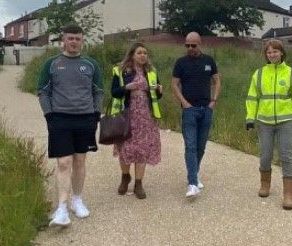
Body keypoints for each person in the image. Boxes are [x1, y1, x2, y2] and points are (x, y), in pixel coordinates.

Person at [37, 24, 105, 227]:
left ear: (82, 41)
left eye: (77, 38)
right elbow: (43, 91)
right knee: (63, 163)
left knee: (79, 162)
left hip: (85, 119)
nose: (73, 42)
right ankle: (62, 208)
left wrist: (95, 114)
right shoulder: (52, 64)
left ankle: (77, 199)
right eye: (70, 38)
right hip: (60, 119)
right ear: (63, 41)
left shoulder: (91, 65)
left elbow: (99, 91)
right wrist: (49, 115)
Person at [245, 39, 292, 210]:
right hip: (264, 122)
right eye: (269, 52)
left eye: (275, 51)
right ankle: (265, 184)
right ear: (266, 55)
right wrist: (250, 118)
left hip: (286, 122)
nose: (272, 54)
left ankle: (288, 194)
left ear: (282, 53)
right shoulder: (258, 74)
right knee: (265, 155)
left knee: (286, 155)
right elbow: (252, 98)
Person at [108, 42, 163, 199]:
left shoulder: (151, 72)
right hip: (126, 116)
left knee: (142, 150)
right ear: (132, 54)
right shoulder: (120, 71)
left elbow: (156, 95)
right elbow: (114, 92)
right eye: (139, 53)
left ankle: (138, 183)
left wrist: (159, 90)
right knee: (125, 148)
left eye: (145, 53)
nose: (143, 55)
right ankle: (125, 176)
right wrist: (128, 87)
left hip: (145, 117)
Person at [171, 32, 220, 199]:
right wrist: (184, 103)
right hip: (189, 110)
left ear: (200, 44)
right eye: (187, 45)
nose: (190, 48)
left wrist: (213, 101)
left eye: (193, 45)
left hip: (206, 109)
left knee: (201, 147)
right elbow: (174, 84)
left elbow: (217, 80)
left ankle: (194, 174)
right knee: (190, 146)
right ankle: (192, 183)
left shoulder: (209, 61)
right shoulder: (181, 63)